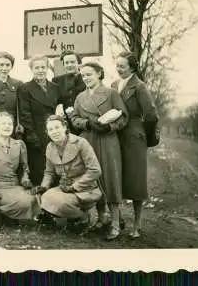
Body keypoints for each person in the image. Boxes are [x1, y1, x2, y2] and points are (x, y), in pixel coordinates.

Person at [70, 61, 128, 240]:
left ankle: (116, 223)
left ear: (99, 74)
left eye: (90, 74)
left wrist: (110, 127)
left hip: (107, 141)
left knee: (110, 178)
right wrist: (86, 123)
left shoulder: (111, 94)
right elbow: (74, 118)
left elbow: (124, 116)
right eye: (83, 75)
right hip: (88, 140)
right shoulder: (80, 97)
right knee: (92, 179)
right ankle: (102, 218)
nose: (86, 78)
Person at [112, 52, 158, 238]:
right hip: (116, 135)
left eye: (122, 66)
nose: (119, 69)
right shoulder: (114, 85)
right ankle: (118, 220)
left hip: (134, 137)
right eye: (117, 65)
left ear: (132, 67)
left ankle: (137, 225)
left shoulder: (139, 86)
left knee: (136, 180)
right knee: (117, 177)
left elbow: (151, 115)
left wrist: (141, 135)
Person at [32, 115, 102, 232]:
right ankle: (70, 218)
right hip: (64, 188)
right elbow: (49, 172)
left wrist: (75, 187)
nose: (54, 132)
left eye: (57, 127)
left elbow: (95, 170)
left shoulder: (81, 143)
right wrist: (43, 187)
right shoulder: (50, 147)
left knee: (59, 202)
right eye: (51, 129)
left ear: (65, 127)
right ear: (47, 133)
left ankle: (83, 217)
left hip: (85, 189)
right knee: (42, 197)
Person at [0, 112, 40, 221]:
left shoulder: (19, 145)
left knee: (34, 199)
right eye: (3, 123)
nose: (7, 126)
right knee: (23, 203)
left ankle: (0, 213)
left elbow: (25, 168)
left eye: (10, 124)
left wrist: (25, 178)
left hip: (13, 186)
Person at [18, 55, 61, 186]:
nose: (40, 70)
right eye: (37, 67)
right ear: (31, 69)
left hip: (53, 130)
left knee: (54, 162)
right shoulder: (25, 88)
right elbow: (25, 113)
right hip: (35, 131)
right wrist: (31, 135)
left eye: (43, 67)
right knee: (38, 166)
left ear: (47, 68)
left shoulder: (55, 87)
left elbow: (59, 107)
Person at [52, 51, 86, 133]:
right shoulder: (57, 80)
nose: (69, 65)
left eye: (72, 62)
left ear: (79, 63)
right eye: (66, 63)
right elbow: (55, 101)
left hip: (84, 121)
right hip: (66, 123)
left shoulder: (86, 78)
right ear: (63, 65)